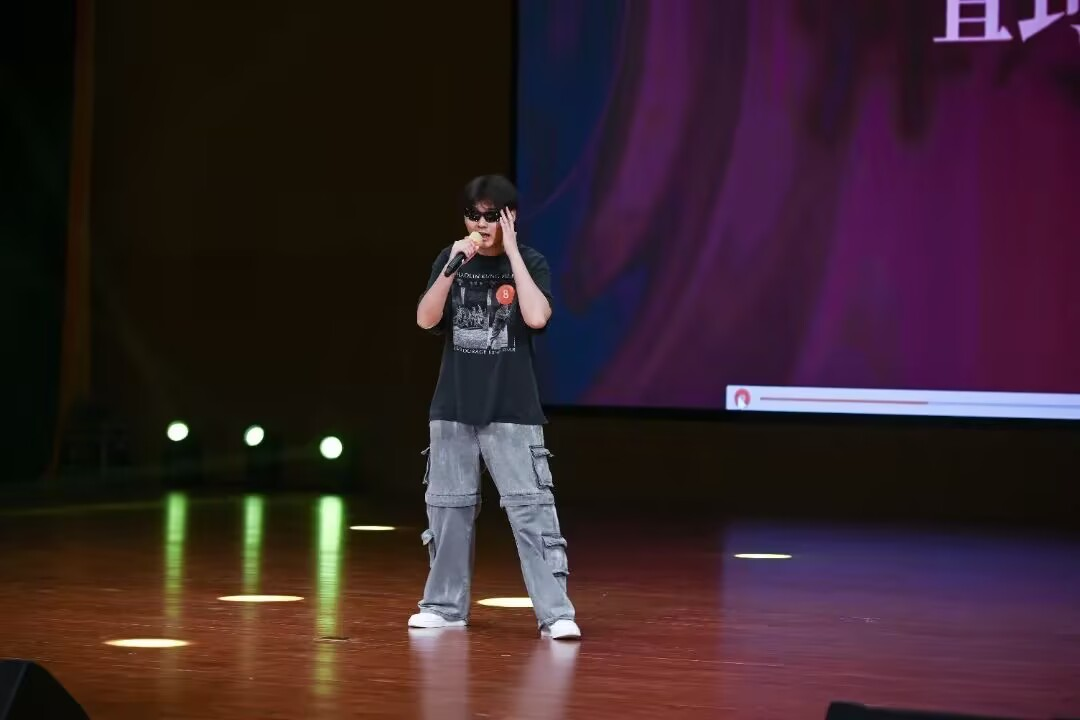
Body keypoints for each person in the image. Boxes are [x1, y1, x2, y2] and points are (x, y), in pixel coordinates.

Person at [410, 174, 581, 640]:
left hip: (512, 407)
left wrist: (512, 254)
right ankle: (444, 607)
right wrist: (451, 268)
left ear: (510, 217)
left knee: (531, 512)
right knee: (448, 511)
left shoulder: (530, 262)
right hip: (453, 406)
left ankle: (555, 614)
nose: (481, 224)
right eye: (473, 215)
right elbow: (425, 319)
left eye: (491, 216)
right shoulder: (451, 260)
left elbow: (536, 316)